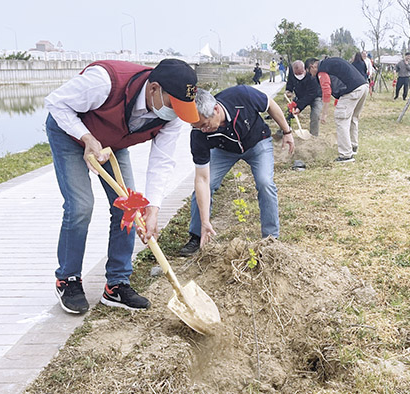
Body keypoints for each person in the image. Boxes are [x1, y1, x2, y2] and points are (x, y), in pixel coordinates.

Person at [45, 59, 199, 314]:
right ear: (154, 89)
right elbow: (56, 102)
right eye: (174, 104)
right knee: (81, 205)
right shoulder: (104, 81)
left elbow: (161, 162)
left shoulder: (171, 118)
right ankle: (68, 279)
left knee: (131, 209)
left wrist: (154, 208)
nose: (177, 113)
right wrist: (86, 138)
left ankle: (116, 284)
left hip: (113, 143)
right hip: (70, 133)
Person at [179, 86, 295, 256]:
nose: (203, 130)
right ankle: (197, 235)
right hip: (223, 150)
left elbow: (270, 104)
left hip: (257, 143)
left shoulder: (242, 95)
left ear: (216, 110)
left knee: (265, 182)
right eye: (198, 127)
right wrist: (206, 221)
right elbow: (202, 179)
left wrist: (287, 131)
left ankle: (271, 239)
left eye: (205, 125)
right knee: (206, 185)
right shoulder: (198, 133)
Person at [308, 57, 369, 163]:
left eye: (310, 72)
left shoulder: (322, 70)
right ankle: (353, 146)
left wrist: (324, 114)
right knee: (353, 118)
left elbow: (326, 91)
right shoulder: (330, 62)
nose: (311, 75)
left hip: (352, 90)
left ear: (312, 66)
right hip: (363, 86)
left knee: (341, 119)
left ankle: (346, 155)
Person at [284, 59, 322, 137]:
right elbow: (290, 82)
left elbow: (310, 95)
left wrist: (299, 107)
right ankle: (285, 131)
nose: (299, 75)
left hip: (315, 95)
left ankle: (313, 136)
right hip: (300, 95)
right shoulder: (292, 71)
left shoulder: (311, 74)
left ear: (305, 69)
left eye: (301, 73)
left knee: (316, 115)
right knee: (288, 112)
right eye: (296, 74)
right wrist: (288, 91)